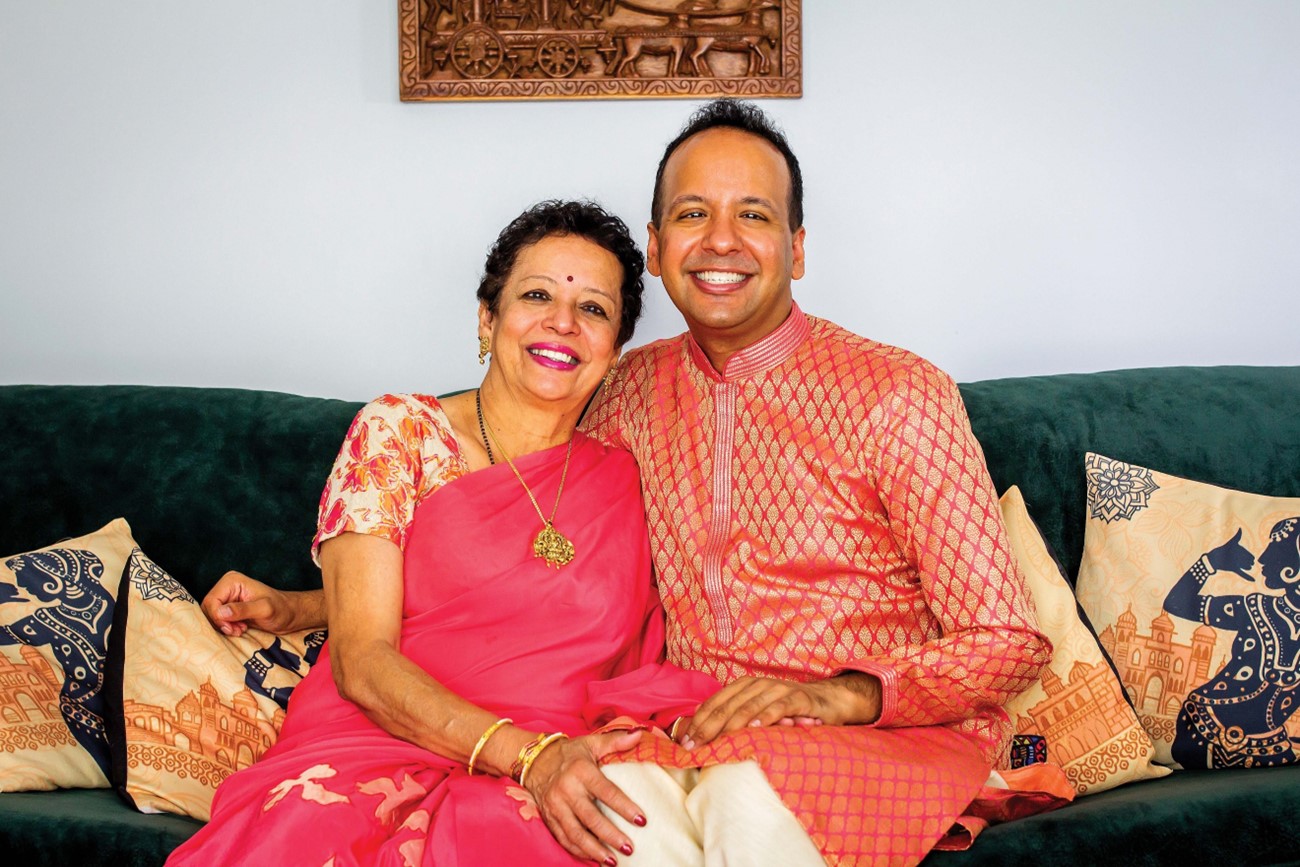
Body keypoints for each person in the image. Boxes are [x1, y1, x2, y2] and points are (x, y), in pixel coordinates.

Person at [204, 100, 1055, 866]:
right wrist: (305, 605)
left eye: (752, 215)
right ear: (657, 246)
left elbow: (1009, 638)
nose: (720, 240)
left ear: (796, 245)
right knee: (613, 822)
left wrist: (837, 693)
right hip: (668, 733)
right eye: (693, 214)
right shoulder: (622, 396)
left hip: (856, 737)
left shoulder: (899, 392)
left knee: (744, 815)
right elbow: (467, 575)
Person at [167, 199, 725, 867]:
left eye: (595, 309)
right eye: (537, 294)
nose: (563, 321)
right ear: (488, 318)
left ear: (614, 348)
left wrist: (296, 605)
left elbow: (480, 601)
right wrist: (528, 756)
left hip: (558, 751)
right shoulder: (401, 433)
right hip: (384, 738)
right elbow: (363, 657)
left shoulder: (623, 470)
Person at [1163, 519, 1300, 769]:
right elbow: (1177, 603)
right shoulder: (1256, 609)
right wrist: (1211, 562)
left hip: (1271, 745)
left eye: (1276, 550)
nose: (1263, 558)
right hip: (1204, 728)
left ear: (1292, 568)